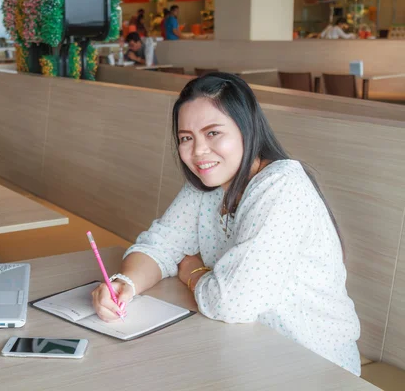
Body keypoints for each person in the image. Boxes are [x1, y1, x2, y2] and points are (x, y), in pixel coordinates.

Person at [92, 73, 362, 376]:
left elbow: (232, 302)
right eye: (186, 138)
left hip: (313, 367)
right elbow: (159, 245)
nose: (198, 151)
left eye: (213, 133)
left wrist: (192, 271)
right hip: (245, 354)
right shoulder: (206, 186)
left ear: (246, 129)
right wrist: (125, 284)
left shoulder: (281, 186)